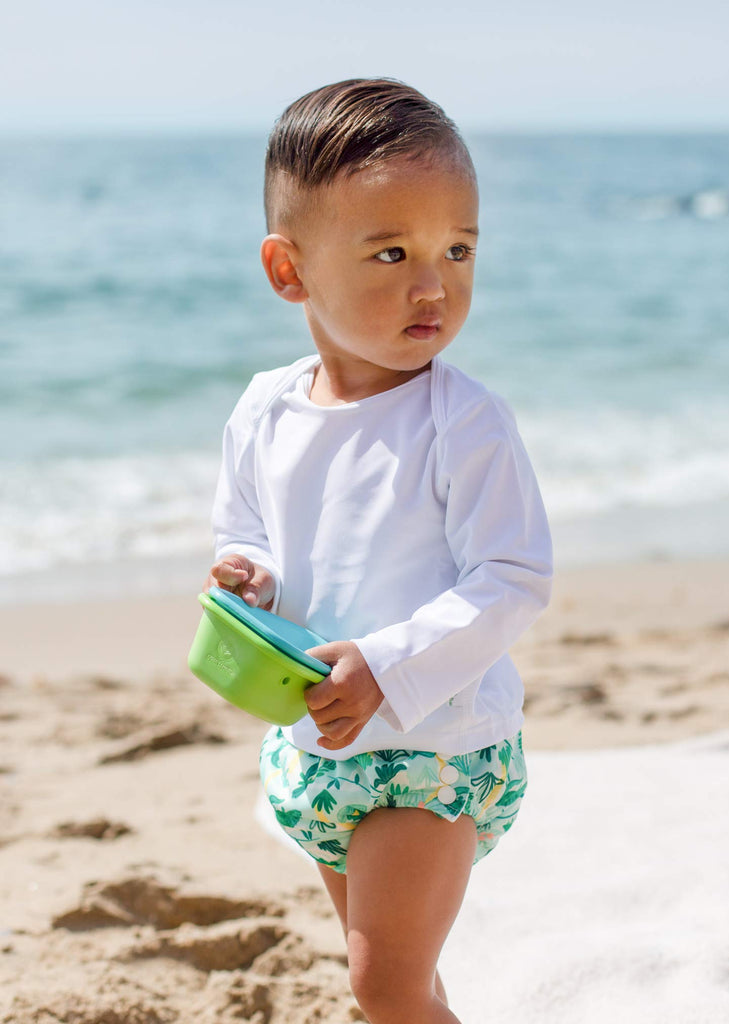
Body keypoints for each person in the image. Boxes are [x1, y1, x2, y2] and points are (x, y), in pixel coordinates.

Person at [203, 79, 553, 1023]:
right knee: (406, 982)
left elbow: (514, 578)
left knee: (382, 985)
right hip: (319, 743)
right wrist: (250, 577)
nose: (433, 283)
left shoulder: (463, 421)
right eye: (391, 251)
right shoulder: (265, 411)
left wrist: (388, 663)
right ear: (290, 270)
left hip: (433, 749)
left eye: (459, 249)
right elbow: (252, 534)